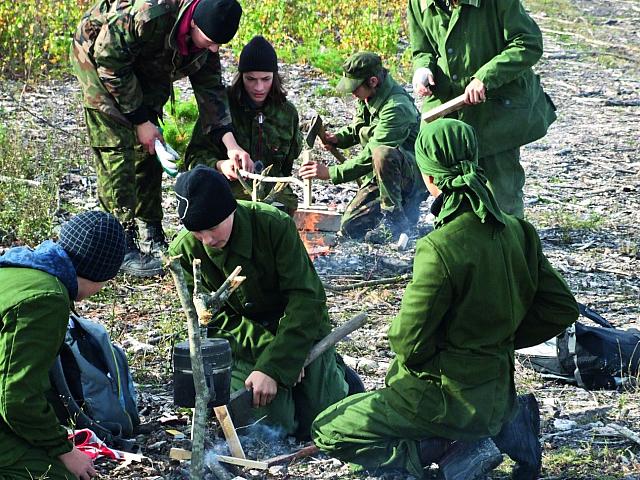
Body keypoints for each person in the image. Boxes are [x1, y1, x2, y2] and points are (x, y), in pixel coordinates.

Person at [311, 119, 579, 480]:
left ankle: (452, 451)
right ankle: (498, 428)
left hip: (448, 399)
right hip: (499, 391)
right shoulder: (519, 230)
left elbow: (407, 342)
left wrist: (453, 352)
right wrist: (497, 340)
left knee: (328, 427)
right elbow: (561, 308)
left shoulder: (439, 247)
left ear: (430, 177)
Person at [168, 165, 358, 438]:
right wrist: (271, 360)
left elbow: (306, 299)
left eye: (212, 227)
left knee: (323, 419)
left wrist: (279, 359)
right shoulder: (183, 253)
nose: (207, 239)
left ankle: (334, 372)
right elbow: (214, 320)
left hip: (297, 330)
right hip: (243, 344)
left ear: (230, 209)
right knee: (274, 424)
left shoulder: (273, 225)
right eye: (198, 232)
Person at [71, 0, 252, 277]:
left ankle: (150, 229)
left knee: (151, 149)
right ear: (193, 22)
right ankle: (120, 242)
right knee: (118, 149)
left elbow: (211, 90)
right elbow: (110, 62)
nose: (214, 48)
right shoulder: (149, 14)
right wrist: (140, 121)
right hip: (100, 59)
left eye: (219, 44)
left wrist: (230, 144)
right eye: (211, 41)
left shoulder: (206, 35)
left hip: (145, 66)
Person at [0, 211, 126, 480]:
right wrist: (63, 449)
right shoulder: (46, 300)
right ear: (100, 273)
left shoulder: (21, 267)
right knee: (58, 475)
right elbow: (14, 399)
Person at [407, 0, 556, 218]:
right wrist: (422, 69)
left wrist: (485, 77)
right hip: (449, 110)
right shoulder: (418, 3)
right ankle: (463, 239)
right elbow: (422, 49)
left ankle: (511, 245)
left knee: (501, 194)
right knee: (447, 186)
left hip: (497, 109)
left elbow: (527, 42)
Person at [298, 52, 425, 244]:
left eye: (355, 88)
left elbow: (370, 156)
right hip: (381, 174)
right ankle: (400, 209)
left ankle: (396, 219)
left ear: (373, 81)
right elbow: (359, 127)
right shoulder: (368, 96)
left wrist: (332, 173)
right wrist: (338, 139)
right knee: (351, 227)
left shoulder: (396, 107)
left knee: (382, 153)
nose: (352, 93)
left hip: (408, 175)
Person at [184, 35, 304, 215]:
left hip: (273, 192)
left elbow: (287, 167)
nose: (259, 87)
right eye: (251, 79)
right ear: (241, 77)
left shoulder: (287, 113)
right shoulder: (220, 109)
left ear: (275, 77)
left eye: (266, 79)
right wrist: (221, 165)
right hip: (227, 190)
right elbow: (193, 159)